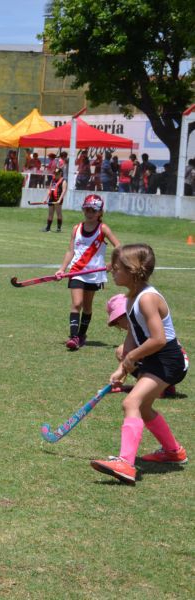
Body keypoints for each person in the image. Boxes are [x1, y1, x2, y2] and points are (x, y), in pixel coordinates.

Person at [90, 244, 188, 484]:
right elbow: (133, 335)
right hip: (156, 357)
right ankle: (173, 452)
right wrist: (122, 367)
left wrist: (132, 358)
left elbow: (158, 339)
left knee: (131, 402)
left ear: (133, 271)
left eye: (118, 267)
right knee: (143, 408)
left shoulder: (147, 299)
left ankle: (125, 463)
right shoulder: (131, 297)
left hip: (166, 359)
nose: (112, 269)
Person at [55, 194, 121, 350]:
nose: (89, 213)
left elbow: (119, 247)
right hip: (76, 271)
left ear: (99, 212)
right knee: (76, 303)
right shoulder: (76, 228)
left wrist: (112, 263)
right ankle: (73, 337)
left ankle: (81, 335)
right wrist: (62, 269)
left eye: (93, 210)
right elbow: (70, 251)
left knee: (87, 306)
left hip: (94, 274)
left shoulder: (102, 229)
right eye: (87, 209)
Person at [105, 294, 177, 398]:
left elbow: (157, 344)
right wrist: (120, 372)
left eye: (117, 321)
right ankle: (164, 386)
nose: (118, 325)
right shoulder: (135, 329)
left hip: (172, 364)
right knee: (123, 352)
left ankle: (157, 386)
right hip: (165, 365)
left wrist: (130, 359)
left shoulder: (146, 326)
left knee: (133, 403)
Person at [42, 167, 67, 233]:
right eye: (55, 173)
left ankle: (58, 228)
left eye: (57, 173)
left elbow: (64, 191)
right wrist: (45, 198)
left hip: (58, 199)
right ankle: (48, 228)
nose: (55, 175)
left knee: (58, 213)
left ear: (60, 173)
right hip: (51, 198)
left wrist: (60, 200)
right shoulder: (53, 180)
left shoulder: (63, 181)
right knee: (50, 213)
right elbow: (49, 189)